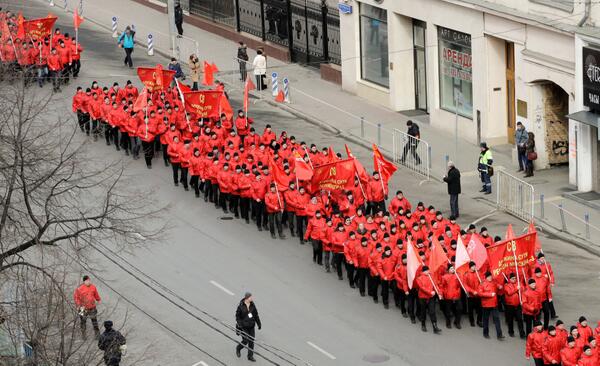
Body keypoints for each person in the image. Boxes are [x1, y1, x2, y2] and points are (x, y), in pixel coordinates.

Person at [415, 266, 441, 334]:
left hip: (431, 297)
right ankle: (423, 325)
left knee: (432, 311)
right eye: (426, 271)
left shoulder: (431, 277)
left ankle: (435, 326)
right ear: (423, 272)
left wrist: (439, 292)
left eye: (428, 270)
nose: (428, 272)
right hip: (423, 297)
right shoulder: (419, 278)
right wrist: (430, 292)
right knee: (423, 311)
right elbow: (422, 288)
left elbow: (435, 285)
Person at [235, 292, 261, 362]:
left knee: (251, 341)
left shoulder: (252, 305)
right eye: (250, 297)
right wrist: (240, 324)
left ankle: (250, 356)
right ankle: (238, 348)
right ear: (247, 298)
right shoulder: (240, 306)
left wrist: (259, 323)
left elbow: (256, 315)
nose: (252, 298)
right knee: (245, 340)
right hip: (243, 327)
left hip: (251, 326)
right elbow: (237, 317)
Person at [478, 271, 505, 340]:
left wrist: (500, 286)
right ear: (486, 277)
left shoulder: (493, 282)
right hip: (486, 305)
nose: (490, 277)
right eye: (489, 277)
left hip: (494, 304)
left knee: (497, 319)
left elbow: (497, 285)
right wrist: (490, 295)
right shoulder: (482, 284)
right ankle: (485, 333)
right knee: (486, 319)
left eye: (491, 276)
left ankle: (499, 334)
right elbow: (480, 293)